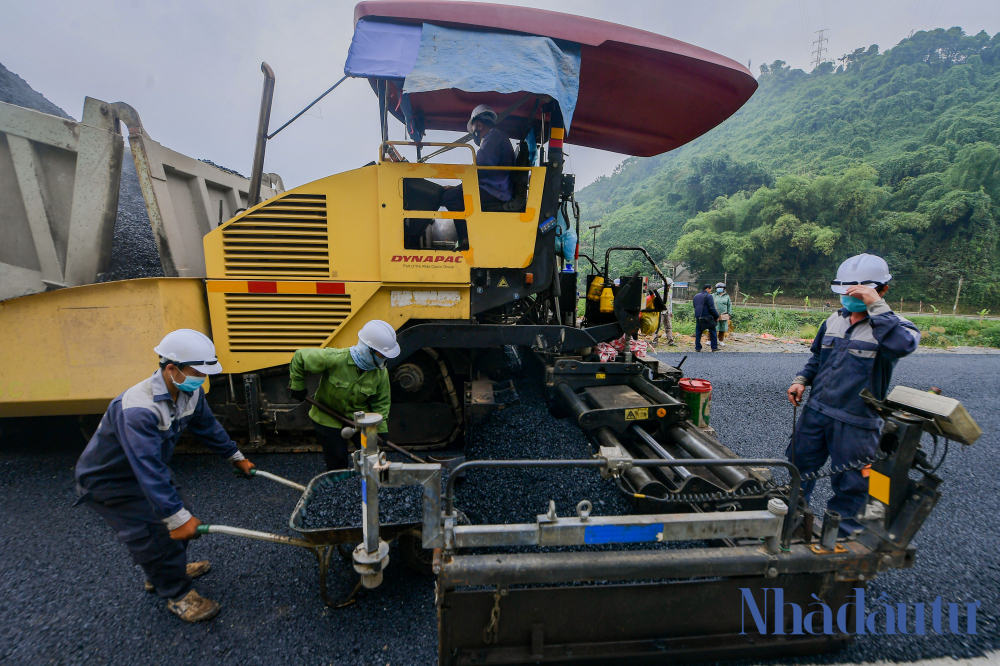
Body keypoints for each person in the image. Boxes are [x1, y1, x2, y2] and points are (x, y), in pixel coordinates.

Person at [74, 329, 255, 622]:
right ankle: (177, 595)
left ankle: (166, 571)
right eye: (197, 372)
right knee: (156, 532)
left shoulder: (190, 391)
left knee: (181, 515)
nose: (202, 380)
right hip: (111, 481)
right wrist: (174, 519)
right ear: (172, 369)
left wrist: (236, 457)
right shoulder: (138, 408)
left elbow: (208, 428)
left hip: (147, 469)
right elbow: (146, 467)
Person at [786, 254, 920, 535]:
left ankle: (841, 541)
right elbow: (816, 358)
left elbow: (901, 347)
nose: (849, 298)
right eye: (846, 293)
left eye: (859, 293)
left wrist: (876, 307)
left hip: (857, 422)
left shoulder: (897, 327)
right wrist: (802, 380)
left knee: (854, 485)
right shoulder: (833, 320)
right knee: (799, 468)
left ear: (882, 290)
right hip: (816, 411)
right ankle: (792, 524)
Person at [288, 320, 399, 471]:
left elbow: (381, 401)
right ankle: (336, 487)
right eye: (381, 354)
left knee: (371, 456)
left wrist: (381, 428)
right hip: (328, 418)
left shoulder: (380, 372)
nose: (383, 358)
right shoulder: (335, 358)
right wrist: (297, 386)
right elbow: (300, 356)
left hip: (359, 420)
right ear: (368, 349)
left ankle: (367, 488)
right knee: (338, 459)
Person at [442, 105, 516, 215]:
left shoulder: (493, 136)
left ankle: (466, 232)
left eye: (473, 130)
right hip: (496, 190)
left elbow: (479, 168)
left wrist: (459, 188)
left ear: (479, 125)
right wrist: (458, 188)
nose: (473, 135)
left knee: (450, 197)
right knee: (455, 194)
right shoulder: (498, 136)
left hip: (495, 192)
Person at [692, 283, 720, 352]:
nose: (710, 291)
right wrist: (717, 316)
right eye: (710, 289)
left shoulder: (696, 296)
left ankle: (698, 347)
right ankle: (714, 347)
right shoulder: (709, 296)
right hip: (708, 318)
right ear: (707, 289)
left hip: (699, 317)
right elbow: (712, 308)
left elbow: (695, 306)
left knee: (698, 332)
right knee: (713, 332)